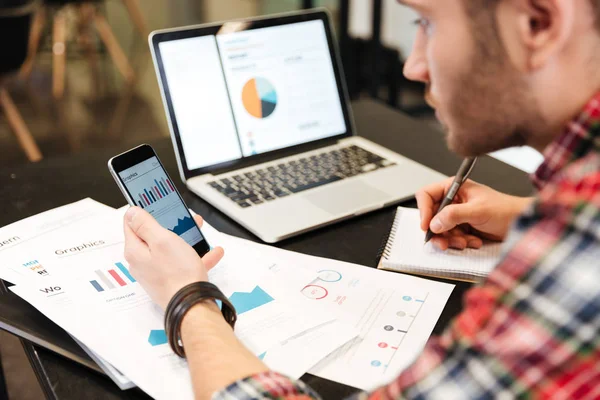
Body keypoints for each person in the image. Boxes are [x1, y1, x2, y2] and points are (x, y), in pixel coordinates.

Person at [122, 0, 600, 398]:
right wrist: (525, 215)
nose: (413, 66)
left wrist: (187, 297)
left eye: (428, 23)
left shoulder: (582, 242)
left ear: (538, 23)